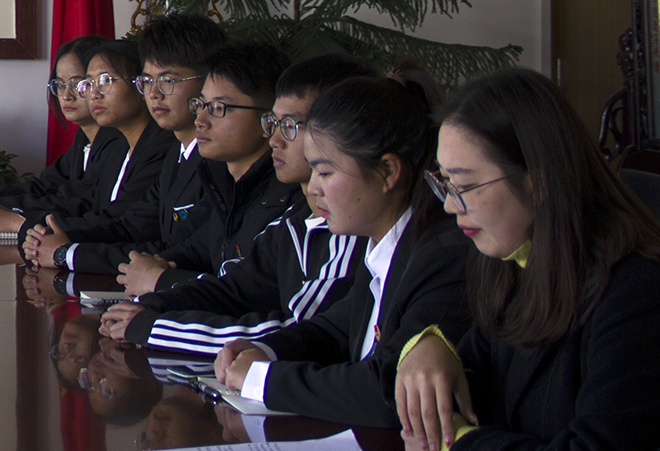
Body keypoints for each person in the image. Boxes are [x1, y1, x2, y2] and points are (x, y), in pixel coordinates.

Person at [396, 69, 660, 451]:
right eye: (442, 181)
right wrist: (428, 346)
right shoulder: (514, 255)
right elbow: (472, 385)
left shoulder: (643, 293)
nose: (448, 205)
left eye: (464, 185)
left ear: (541, 182)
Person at [212, 66, 472, 427]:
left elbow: (388, 389)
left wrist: (264, 380)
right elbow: (335, 329)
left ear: (388, 172)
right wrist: (266, 350)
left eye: (325, 172)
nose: (314, 188)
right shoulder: (381, 243)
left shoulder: (442, 256)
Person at [96, 54, 371, 353]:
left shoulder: (349, 232)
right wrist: (152, 305)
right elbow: (234, 289)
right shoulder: (293, 220)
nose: (275, 139)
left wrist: (155, 324)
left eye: (291, 125)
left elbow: (307, 334)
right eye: (275, 123)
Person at [22, 14, 225, 275]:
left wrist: (66, 253)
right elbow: (132, 225)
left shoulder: (216, 160)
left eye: (167, 80)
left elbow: (181, 252)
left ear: (209, 83)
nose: (154, 94)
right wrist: (58, 239)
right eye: (148, 81)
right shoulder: (178, 151)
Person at [114, 42, 294, 296]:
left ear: (269, 120)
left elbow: (252, 294)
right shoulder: (225, 182)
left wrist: (161, 280)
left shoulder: (285, 201)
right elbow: (195, 250)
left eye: (218, 108)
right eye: (201, 105)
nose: (200, 120)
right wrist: (149, 267)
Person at [0, 40, 176, 243]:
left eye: (105, 81)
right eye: (89, 84)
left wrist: (21, 224)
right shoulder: (122, 147)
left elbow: (119, 224)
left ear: (141, 85)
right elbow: (84, 203)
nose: (94, 94)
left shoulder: (160, 148)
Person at [0, 35, 105, 223]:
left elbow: (73, 203)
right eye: (60, 85)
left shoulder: (115, 142)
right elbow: (44, 185)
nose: (66, 95)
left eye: (77, 84)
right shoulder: (84, 138)